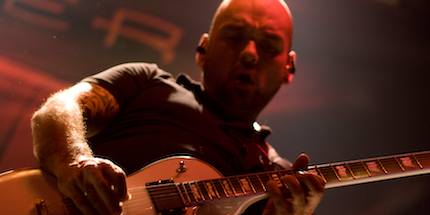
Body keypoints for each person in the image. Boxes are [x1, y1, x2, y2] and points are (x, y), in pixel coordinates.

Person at [31, 0, 325, 214]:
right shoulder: (146, 81)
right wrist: (74, 160)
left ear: (288, 67)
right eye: (234, 37)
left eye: (269, 46)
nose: (249, 54)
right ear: (203, 50)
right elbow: (59, 108)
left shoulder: (279, 177)